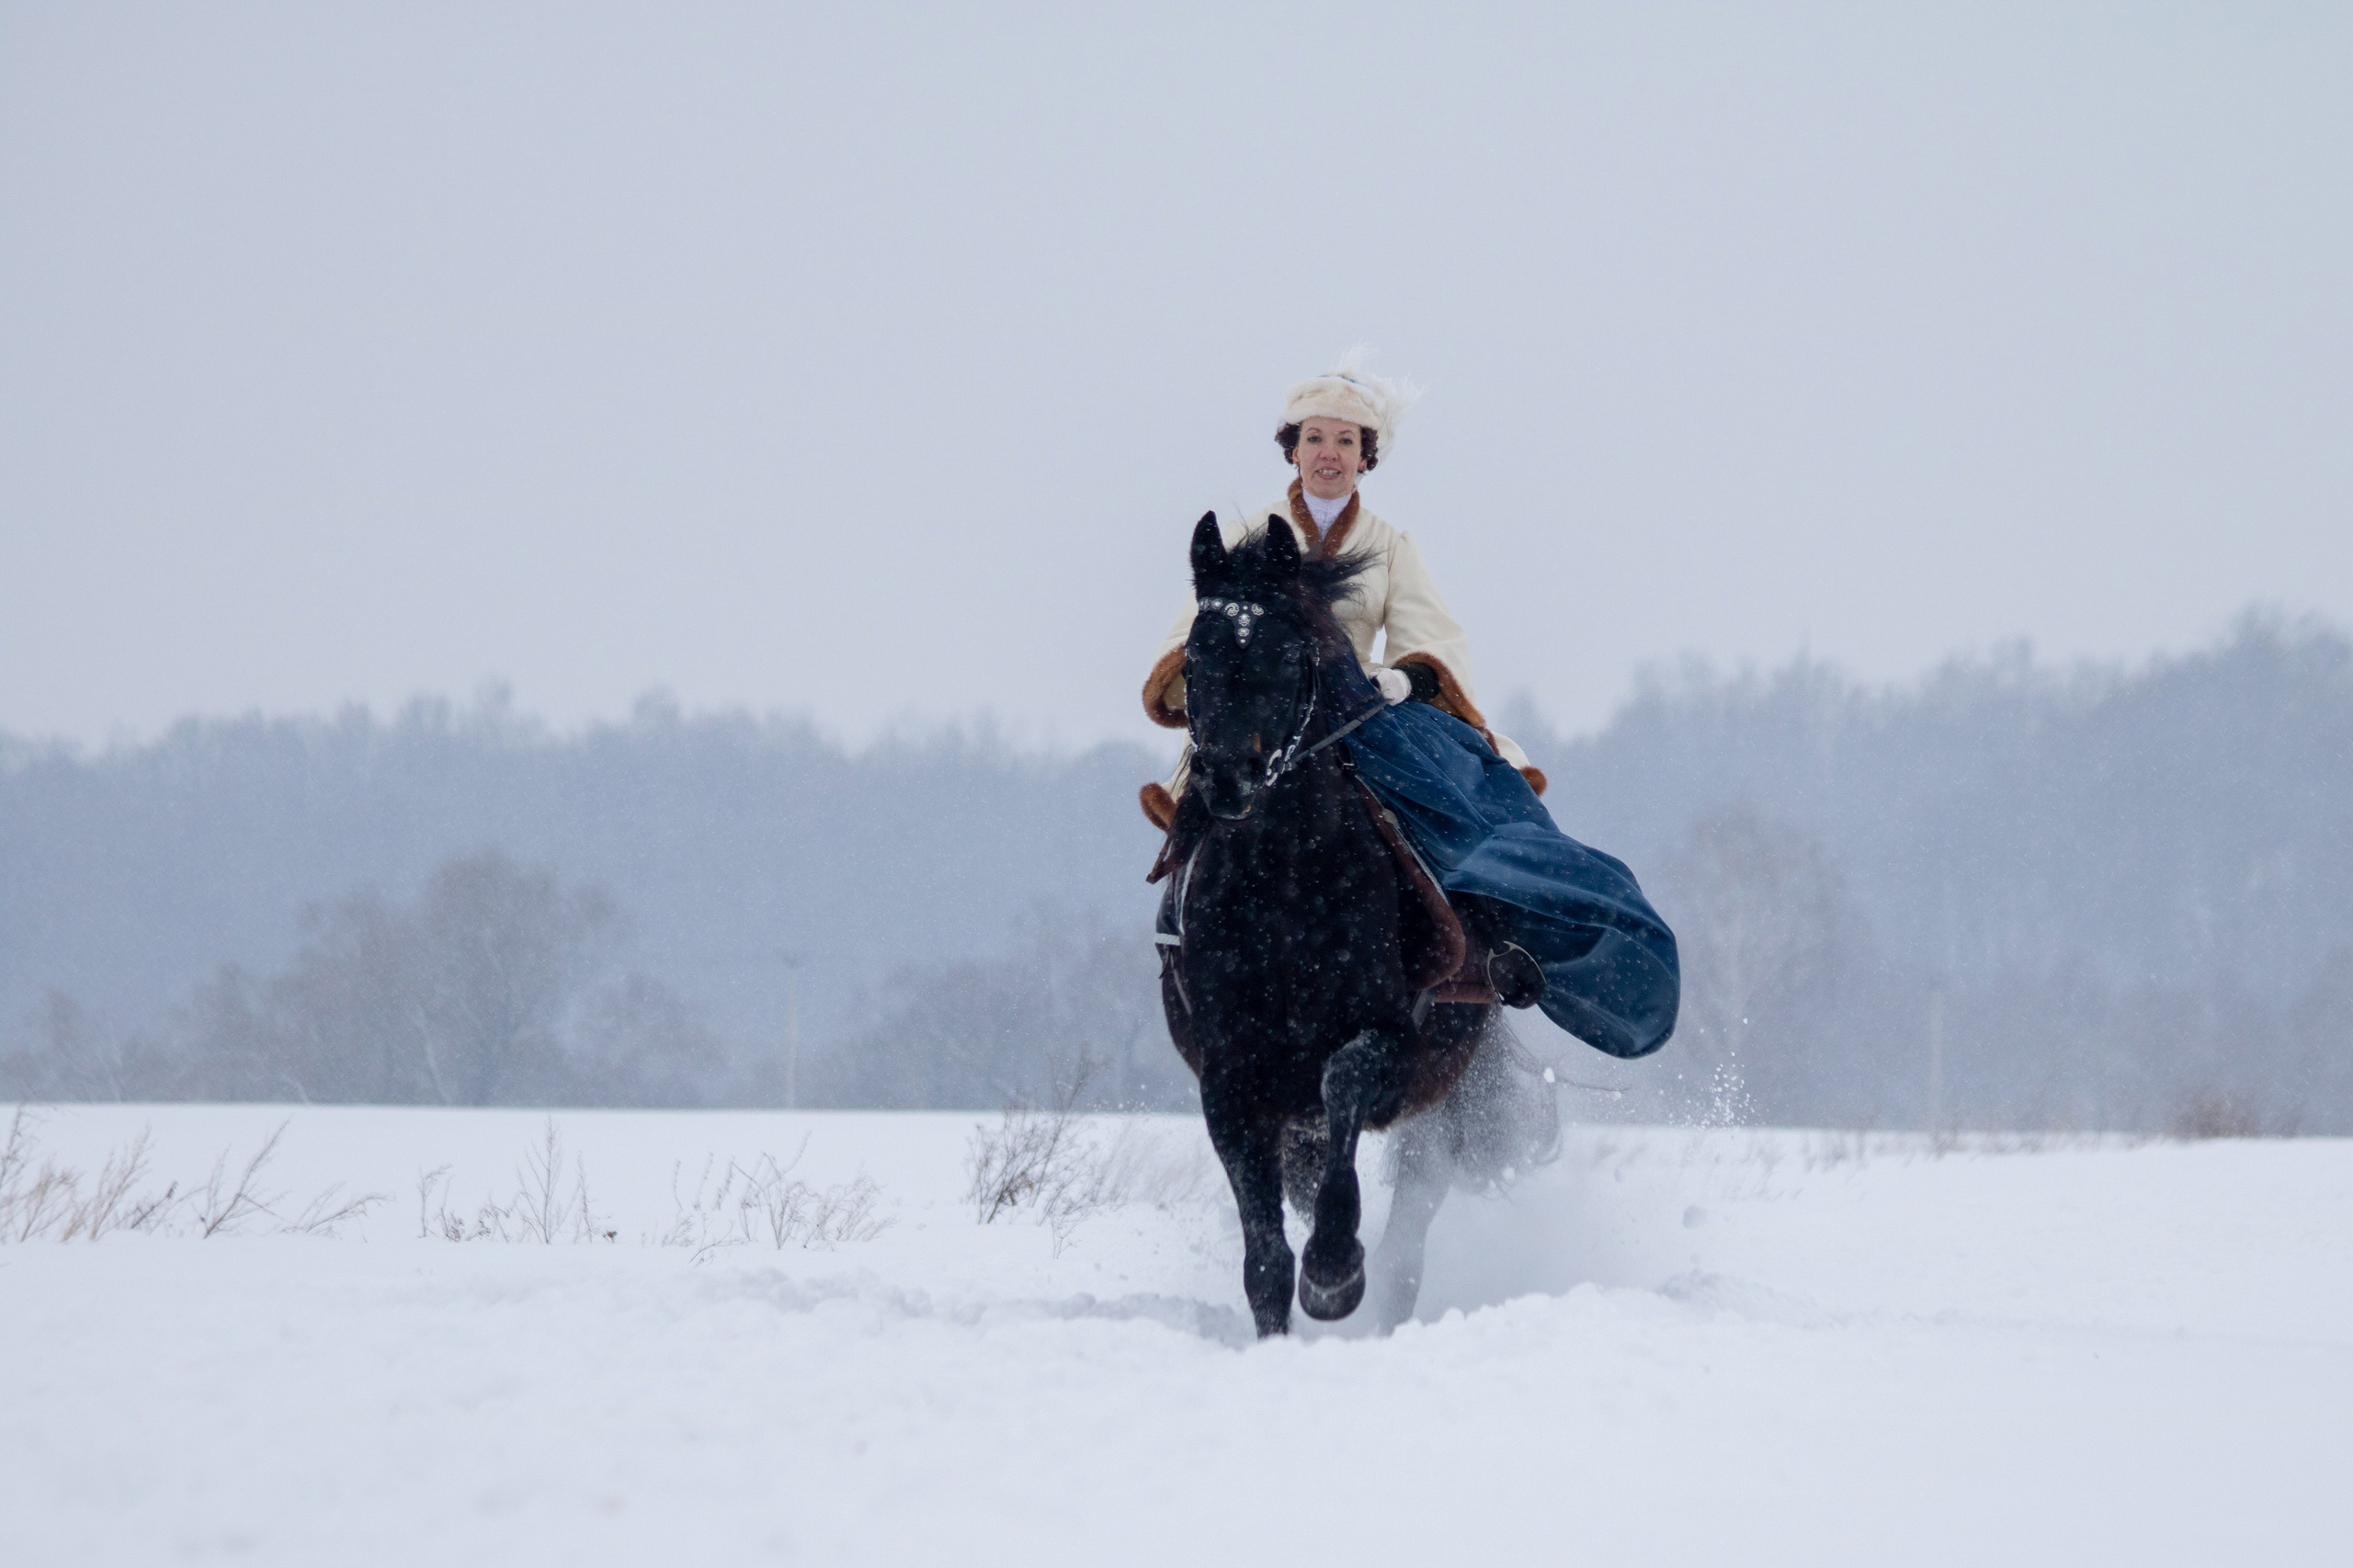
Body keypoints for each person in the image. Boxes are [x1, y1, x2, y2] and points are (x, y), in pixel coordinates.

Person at [1141, 351, 1679, 1060]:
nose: (1327, 454)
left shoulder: (1392, 546)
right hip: (1261, 720)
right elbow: (1193, 637)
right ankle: (1186, 936)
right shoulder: (1245, 538)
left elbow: (1433, 638)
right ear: (1291, 449)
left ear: (1365, 458)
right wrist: (1211, 683)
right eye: (1314, 438)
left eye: (1344, 442)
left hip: (1363, 713)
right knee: (1209, 812)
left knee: (1458, 805)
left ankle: (1489, 940)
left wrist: (1404, 679)